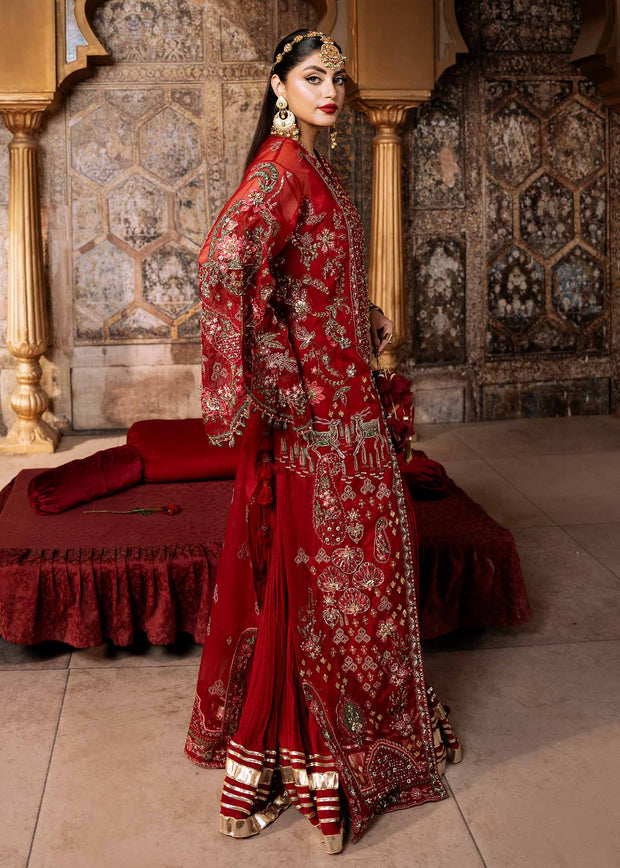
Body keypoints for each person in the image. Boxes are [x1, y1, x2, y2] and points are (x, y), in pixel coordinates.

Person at [185, 28, 461, 854]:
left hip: (351, 410)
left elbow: (302, 277)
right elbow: (223, 265)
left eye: (337, 78)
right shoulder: (277, 172)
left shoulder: (318, 168)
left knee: (363, 570)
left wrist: (352, 320)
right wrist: (283, 378)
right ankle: (310, 761)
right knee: (322, 580)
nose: (331, 91)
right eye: (312, 78)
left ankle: (379, 730)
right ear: (280, 87)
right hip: (317, 423)